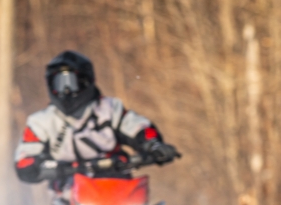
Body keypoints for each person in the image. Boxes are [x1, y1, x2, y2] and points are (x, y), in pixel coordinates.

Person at [14, 50, 177, 190]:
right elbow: (25, 156)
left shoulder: (110, 110)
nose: (66, 91)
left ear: (85, 81)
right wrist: (33, 166)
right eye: (59, 84)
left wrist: (154, 145)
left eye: (70, 83)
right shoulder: (41, 122)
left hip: (118, 186)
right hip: (68, 194)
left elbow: (139, 128)